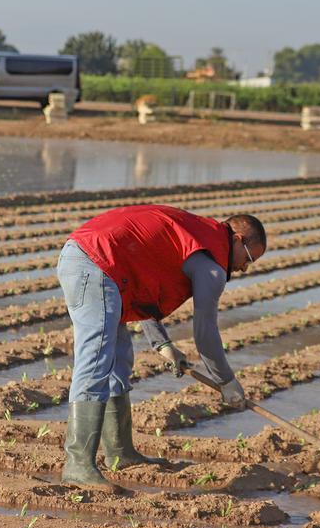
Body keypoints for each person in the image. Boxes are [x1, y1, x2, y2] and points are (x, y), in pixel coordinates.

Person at [56, 204, 267, 490]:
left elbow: (144, 281)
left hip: (96, 260)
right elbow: (205, 333)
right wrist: (227, 381)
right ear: (239, 239)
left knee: (118, 360)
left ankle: (120, 453)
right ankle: (78, 466)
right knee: (96, 360)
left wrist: (163, 344)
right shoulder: (211, 263)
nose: (243, 268)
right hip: (95, 262)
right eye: (250, 258)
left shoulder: (197, 235)